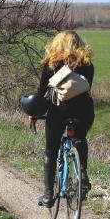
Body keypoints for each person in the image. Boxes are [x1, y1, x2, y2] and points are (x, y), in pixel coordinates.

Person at [34, 30, 95, 207]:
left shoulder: (51, 64)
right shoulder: (87, 64)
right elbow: (86, 87)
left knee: (51, 150)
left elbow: (42, 93)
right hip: (83, 111)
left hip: (59, 111)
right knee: (79, 139)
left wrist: (35, 113)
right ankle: (82, 175)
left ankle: (47, 195)